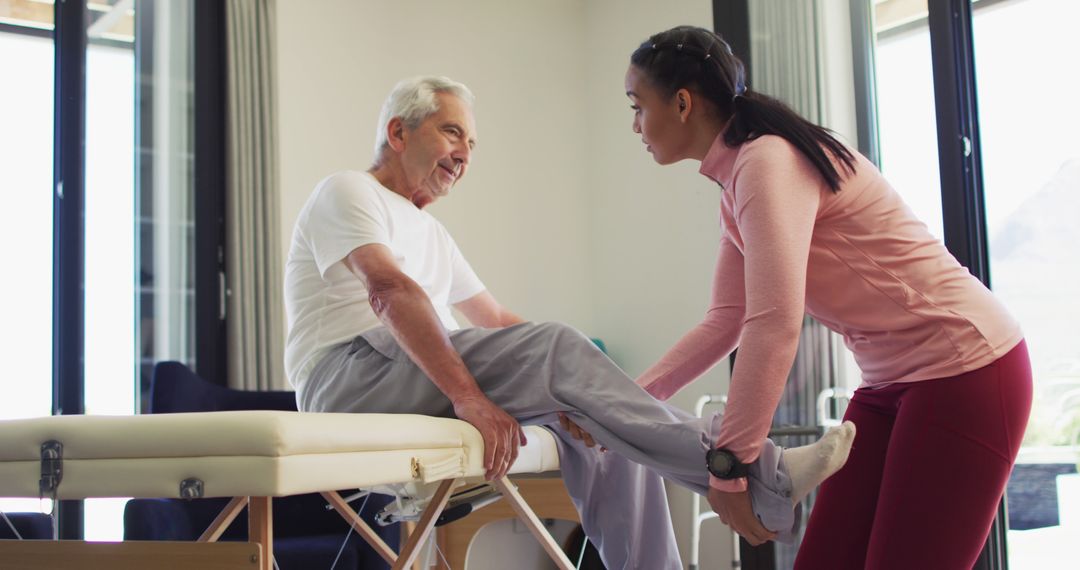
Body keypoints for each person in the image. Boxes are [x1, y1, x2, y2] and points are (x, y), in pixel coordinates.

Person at [283, 76, 855, 569]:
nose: (464, 154)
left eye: (472, 143)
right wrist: (469, 398)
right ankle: (757, 473)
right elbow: (389, 292)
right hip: (349, 378)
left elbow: (500, 321)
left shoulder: (432, 232)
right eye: (452, 132)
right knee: (558, 350)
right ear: (398, 132)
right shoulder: (349, 190)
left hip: (408, 372)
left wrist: (582, 389)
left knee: (599, 428)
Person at [615, 25, 1032, 569]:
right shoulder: (739, 182)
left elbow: (774, 323)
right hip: (889, 383)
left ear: (683, 103)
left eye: (638, 106)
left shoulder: (767, 162)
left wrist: (732, 466)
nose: (636, 126)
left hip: (965, 367)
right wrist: (621, 405)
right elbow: (724, 322)